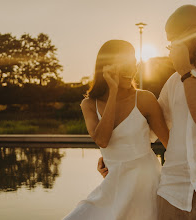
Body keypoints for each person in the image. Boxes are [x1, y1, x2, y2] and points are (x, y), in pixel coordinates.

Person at [98, 5, 196, 219]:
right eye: (169, 43)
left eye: (175, 41)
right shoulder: (174, 82)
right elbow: (149, 129)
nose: (171, 49)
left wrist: (186, 73)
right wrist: (115, 158)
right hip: (171, 198)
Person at [62, 40, 169, 220]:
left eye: (134, 64)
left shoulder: (144, 99)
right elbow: (103, 140)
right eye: (125, 65)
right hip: (114, 184)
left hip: (146, 183)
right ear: (107, 67)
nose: (132, 70)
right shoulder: (88, 104)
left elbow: (171, 145)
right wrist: (112, 91)